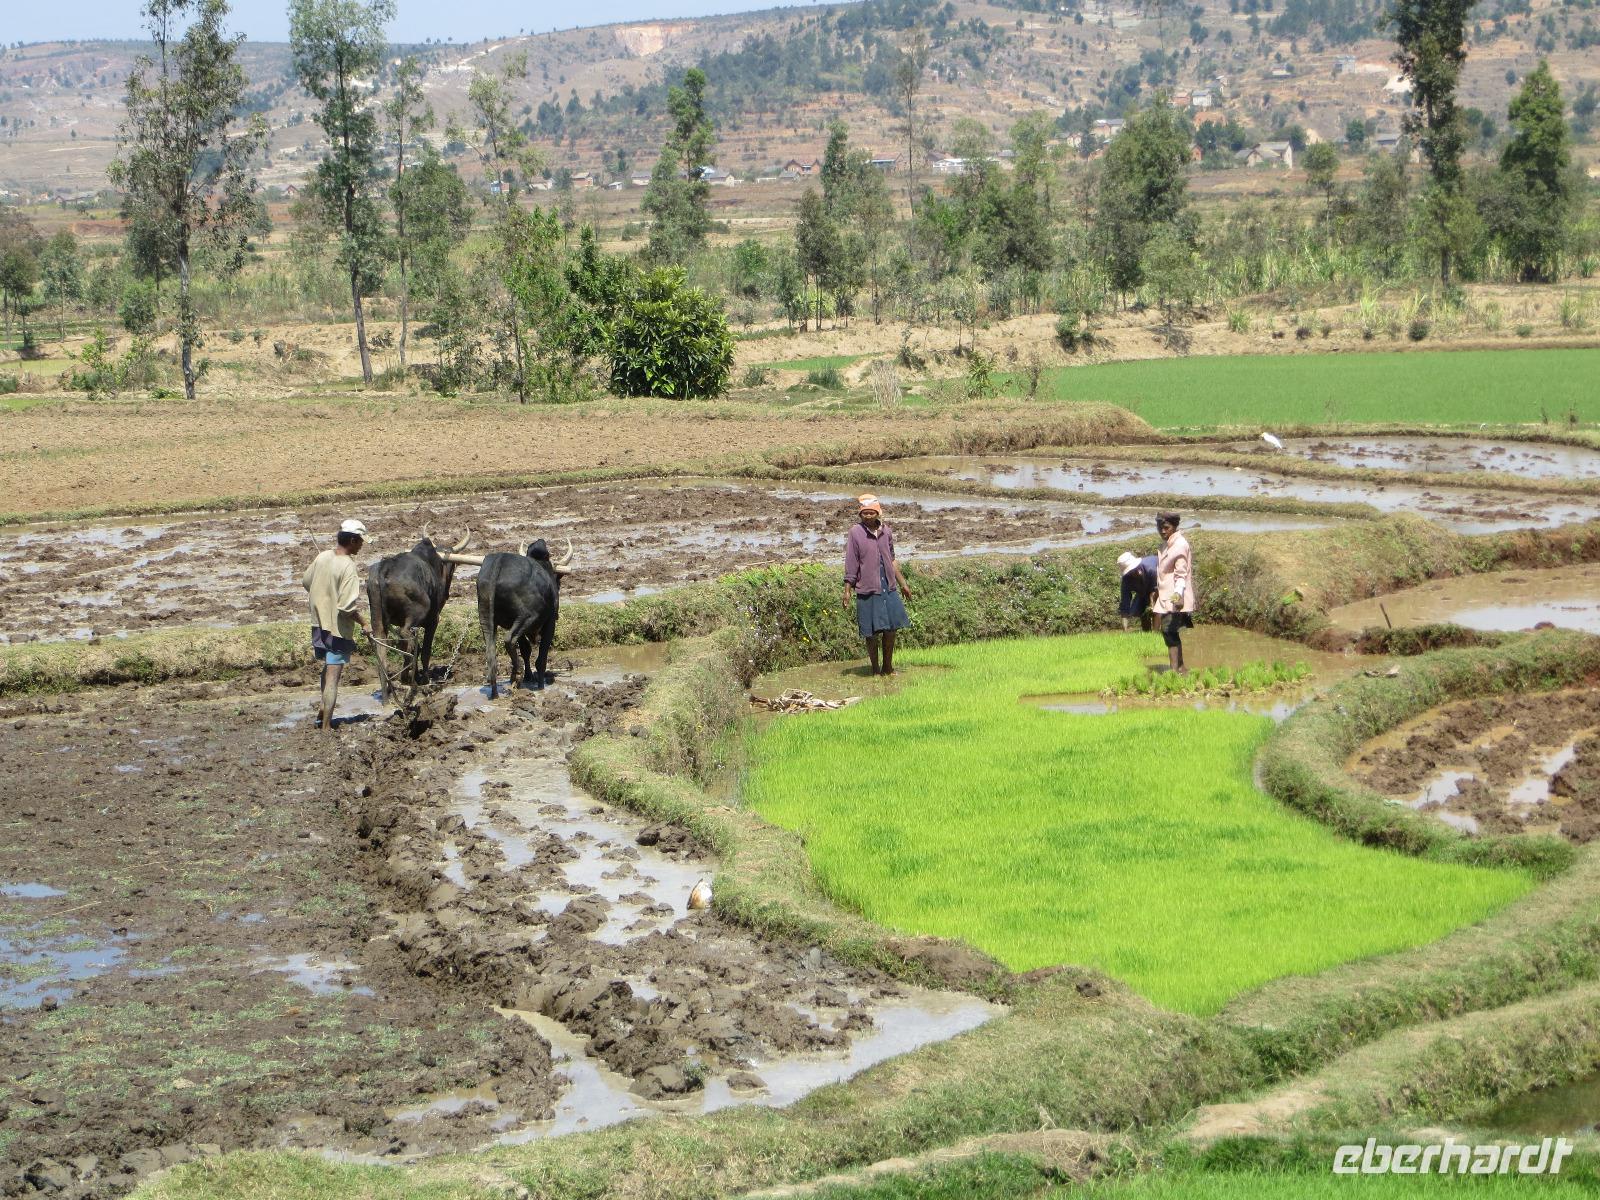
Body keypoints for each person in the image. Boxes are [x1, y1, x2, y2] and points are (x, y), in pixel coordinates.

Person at [302, 519, 368, 730]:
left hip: (318, 625)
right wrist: (365, 623)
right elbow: (347, 608)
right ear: (351, 540)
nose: (362, 545)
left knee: (327, 668)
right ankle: (326, 726)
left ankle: (323, 711)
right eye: (360, 542)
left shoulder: (323, 557)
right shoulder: (348, 566)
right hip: (336, 629)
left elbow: (306, 582)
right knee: (333, 676)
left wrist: (323, 595)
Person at [842, 494, 913, 676]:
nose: (868, 516)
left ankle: (887, 667)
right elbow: (852, 562)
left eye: (871, 512)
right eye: (864, 513)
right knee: (871, 633)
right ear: (860, 514)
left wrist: (903, 584)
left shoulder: (886, 532)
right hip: (868, 588)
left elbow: (892, 560)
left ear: (878, 513)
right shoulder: (855, 533)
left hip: (888, 587)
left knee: (891, 629)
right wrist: (847, 590)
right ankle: (875, 669)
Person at [1150, 512, 1196, 673]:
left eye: (1166, 528)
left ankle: (1175, 669)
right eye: (1159, 528)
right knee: (1171, 631)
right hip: (1166, 595)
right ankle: (1181, 668)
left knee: (1169, 630)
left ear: (1174, 527)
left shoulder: (1180, 545)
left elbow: (1181, 574)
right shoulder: (1167, 544)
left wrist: (1178, 596)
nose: (1162, 531)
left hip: (1175, 596)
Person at [1117, 550, 1158, 632]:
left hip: (1161, 585)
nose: (1133, 573)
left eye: (1134, 570)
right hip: (1143, 591)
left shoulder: (1151, 569)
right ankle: (1147, 634)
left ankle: (1158, 632)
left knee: (1157, 611)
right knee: (1144, 613)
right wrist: (1125, 631)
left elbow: (1156, 590)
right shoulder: (1126, 580)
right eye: (1130, 572)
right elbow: (1125, 604)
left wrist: (1152, 604)